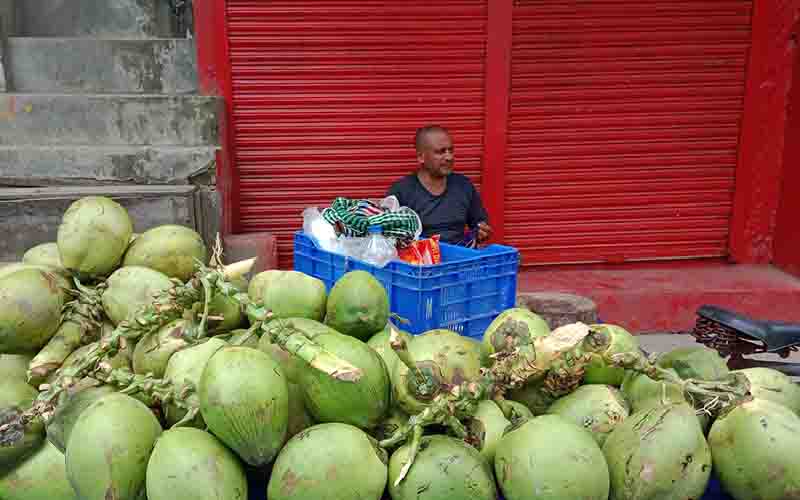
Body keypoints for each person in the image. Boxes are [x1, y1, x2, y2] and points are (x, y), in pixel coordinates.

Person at [386, 125, 492, 247]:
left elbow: (480, 226)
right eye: (440, 152)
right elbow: (390, 241)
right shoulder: (401, 192)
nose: (449, 157)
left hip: (459, 260)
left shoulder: (464, 186)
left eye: (450, 150)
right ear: (421, 157)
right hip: (420, 262)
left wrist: (482, 232)